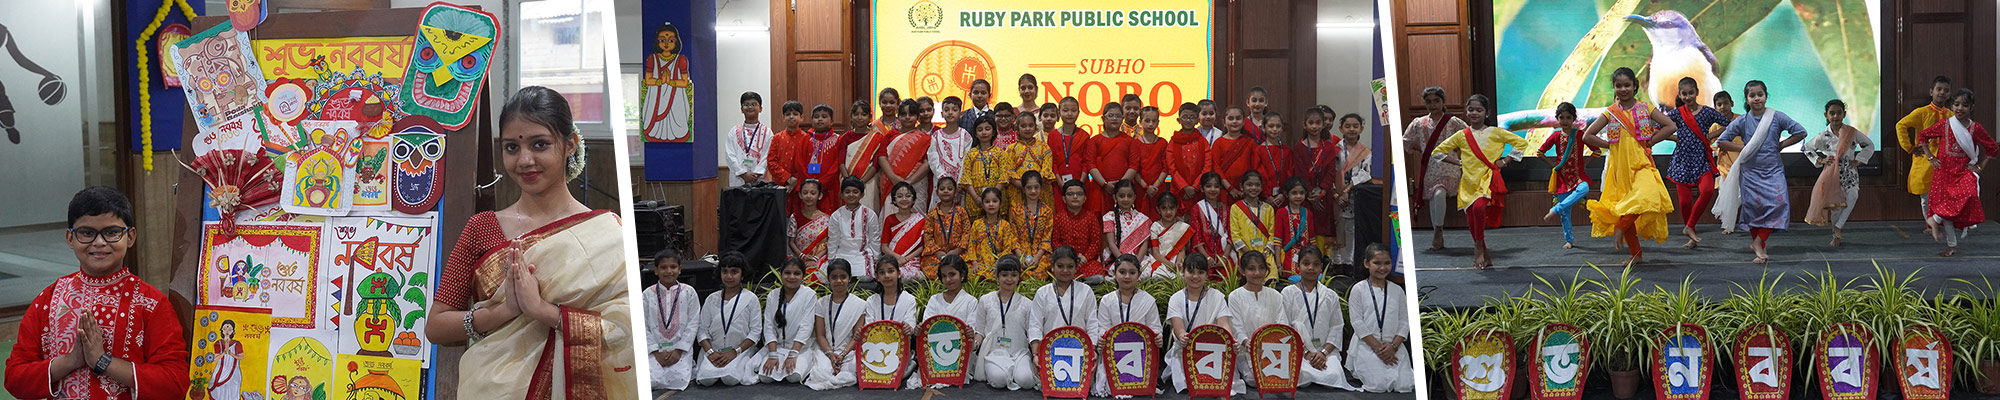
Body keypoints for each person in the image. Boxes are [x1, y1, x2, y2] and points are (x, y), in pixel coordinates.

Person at [429, 87, 634, 398]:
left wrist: (543, 311)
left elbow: (625, 331)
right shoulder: (482, 228)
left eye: (540, 144)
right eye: (512, 147)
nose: (525, 160)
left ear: (570, 144)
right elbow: (436, 327)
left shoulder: (608, 234)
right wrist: (503, 311)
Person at [4, 186, 189, 400]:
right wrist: (70, 361)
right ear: (70, 238)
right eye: (87, 233)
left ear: (130, 237)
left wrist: (103, 361)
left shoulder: (150, 303)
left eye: (111, 232)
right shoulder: (48, 299)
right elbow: (14, 378)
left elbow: (175, 383)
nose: (99, 242)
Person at [1580, 68, 1680, 265]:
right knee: (1627, 205)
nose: (1623, 89)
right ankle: (1636, 254)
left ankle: (1621, 227)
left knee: (1647, 194)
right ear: (1614, 88)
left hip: (1642, 161)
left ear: (1635, 86)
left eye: (1627, 85)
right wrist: (1609, 145)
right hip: (1621, 166)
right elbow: (1587, 136)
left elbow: (1671, 126)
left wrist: (1651, 141)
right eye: (1618, 86)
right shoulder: (1611, 112)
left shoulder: (1645, 108)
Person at [1713, 80, 1808, 264]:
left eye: (1760, 95)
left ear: (1765, 96)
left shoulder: (1776, 117)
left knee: (1779, 204)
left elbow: (1800, 132)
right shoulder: (1742, 121)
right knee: (1753, 209)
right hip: (1750, 172)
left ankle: (1758, 241)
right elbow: (1722, 141)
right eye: (1752, 95)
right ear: (1746, 99)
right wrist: (1743, 149)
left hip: (1773, 170)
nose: (1757, 98)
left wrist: (1781, 145)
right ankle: (1760, 246)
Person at [1430, 94, 1524, 269]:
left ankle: (1478, 246)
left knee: (1480, 208)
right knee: (1472, 219)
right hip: (1468, 183)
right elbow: (1437, 152)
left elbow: (1521, 143)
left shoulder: (1496, 133)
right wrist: (1458, 162)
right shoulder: (1461, 135)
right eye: (1471, 109)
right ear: (1466, 112)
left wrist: (1505, 161)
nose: (1474, 113)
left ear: (1486, 113)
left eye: (1479, 110)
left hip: (1486, 180)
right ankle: (1485, 251)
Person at [1653, 77, 1731, 248]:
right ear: (1680, 95)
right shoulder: (1676, 113)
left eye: (1691, 93)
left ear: (1697, 93)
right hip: (1682, 161)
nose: (1688, 97)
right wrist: (1674, 138)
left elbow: (1729, 123)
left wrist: (1711, 136)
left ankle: (1689, 226)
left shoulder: (1707, 112)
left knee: (1708, 191)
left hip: (1702, 159)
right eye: (1684, 94)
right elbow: (1658, 128)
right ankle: (1691, 234)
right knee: (1684, 202)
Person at [1919, 89, 1992, 257]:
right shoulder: (1945, 125)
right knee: (1948, 212)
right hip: (1944, 173)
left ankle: (1934, 219)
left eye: (1965, 105)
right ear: (1951, 106)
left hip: (1963, 172)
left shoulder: (1976, 128)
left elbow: (1992, 148)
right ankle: (1951, 246)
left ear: (1971, 107)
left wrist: (1980, 166)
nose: (1960, 108)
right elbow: (1923, 136)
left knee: (1969, 195)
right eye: (1956, 104)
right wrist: (1930, 157)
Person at [1801, 99, 1877, 246]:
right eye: (1832, 113)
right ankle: (1835, 234)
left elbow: (1869, 145)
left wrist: (1859, 160)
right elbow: (1807, 148)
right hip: (1831, 173)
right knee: (1835, 206)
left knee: (1853, 195)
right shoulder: (1823, 135)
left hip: (1849, 171)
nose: (1835, 116)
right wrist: (1820, 160)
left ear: (1844, 114)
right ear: (1826, 115)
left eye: (1839, 113)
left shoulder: (1852, 132)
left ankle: (1838, 226)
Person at [1405, 86, 1470, 251]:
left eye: (1436, 101)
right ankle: (1437, 230)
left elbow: (1468, 138)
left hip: (1449, 167)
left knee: (1439, 193)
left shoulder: (1453, 122)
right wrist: (1423, 149)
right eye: (1428, 102)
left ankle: (1438, 230)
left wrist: (1458, 152)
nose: (1432, 105)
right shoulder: (1419, 123)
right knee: (1434, 196)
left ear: (1443, 101)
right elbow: (1405, 141)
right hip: (1429, 167)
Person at [1088, 255, 1162, 397]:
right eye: (1122, 272)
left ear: (1138, 275)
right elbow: (1103, 327)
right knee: (1108, 386)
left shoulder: (1148, 300)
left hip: (1140, 353)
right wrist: (1101, 338)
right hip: (1113, 352)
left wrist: (1158, 337)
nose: (1127, 276)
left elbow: (1155, 327)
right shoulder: (1107, 300)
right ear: (1114, 274)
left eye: (1132, 272)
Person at [1164, 254, 1235, 394]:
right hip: (1185, 350)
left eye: (1200, 272)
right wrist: (1182, 336)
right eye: (1191, 271)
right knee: (1188, 384)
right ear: (1183, 272)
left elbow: (1224, 324)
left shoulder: (1217, 296)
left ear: (1207, 275)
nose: (1195, 276)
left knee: (1220, 385)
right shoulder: (1176, 298)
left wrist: (1230, 340)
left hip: (1213, 351)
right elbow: (1178, 327)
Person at [1282, 248, 1351, 389]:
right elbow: (1285, 327)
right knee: (1301, 374)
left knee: (1334, 375)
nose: (1311, 268)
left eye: (1316, 264)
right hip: (1298, 351)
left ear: (1321, 268)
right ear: (1298, 266)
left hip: (1325, 351)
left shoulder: (1330, 295)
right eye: (1306, 263)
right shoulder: (1288, 293)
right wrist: (1306, 353)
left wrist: (1323, 353)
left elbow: (1337, 326)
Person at [1347, 244, 1412, 392]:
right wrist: (1378, 348)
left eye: (1387, 263)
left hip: (1393, 347)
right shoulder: (1359, 289)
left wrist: (1393, 347)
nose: (1382, 268)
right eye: (1377, 263)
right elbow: (1357, 322)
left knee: (1405, 384)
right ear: (1366, 263)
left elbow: (1404, 321)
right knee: (1378, 385)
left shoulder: (1397, 291)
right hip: (1367, 345)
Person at [911, 256, 982, 388]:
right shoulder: (934, 299)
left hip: (960, 353)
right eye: (944, 276)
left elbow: (971, 329)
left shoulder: (971, 301)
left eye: (952, 274)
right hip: (935, 352)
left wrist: (970, 333)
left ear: (962, 274)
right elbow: (927, 327)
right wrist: (919, 330)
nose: (948, 280)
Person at [1537, 103, 1599, 250]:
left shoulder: (1580, 135)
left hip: (1578, 176)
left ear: (1573, 118)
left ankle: (1555, 209)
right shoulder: (1555, 136)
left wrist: (1585, 163)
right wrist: (1553, 165)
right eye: (1562, 118)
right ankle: (1569, 240)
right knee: (1565, 214)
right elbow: (1540, 152)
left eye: (1568, 118)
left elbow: (1596, 151)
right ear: (1557, 118)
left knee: (1584, 189)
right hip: (1562, 178)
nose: (1565, 121)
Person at [696, 253, 764, 386]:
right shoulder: (712, 299)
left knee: (730, 379)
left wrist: (735, 352)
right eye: (725, 271)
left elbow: (755, 332)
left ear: (742, 274)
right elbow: (702, 330)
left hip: (740, 351)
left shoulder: (751, 299)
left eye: (734, 272)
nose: (729, 276)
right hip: (714, 351)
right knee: (706, 380)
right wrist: (710, 352)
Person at [802, 261, 869, 390]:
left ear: (849, 278)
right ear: (828, 279)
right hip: (826, 350)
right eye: (834, 277)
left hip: (849, 351)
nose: (839, 281)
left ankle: (836, 377)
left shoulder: (860, 304)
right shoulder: (821, 303)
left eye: (843, 277)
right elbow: (820, 335)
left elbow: (856, 337)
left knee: (853, 370)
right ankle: (835, 377)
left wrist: (842, 355)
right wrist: (830, 354)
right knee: (819, 373)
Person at [976, 257, 1041, 390]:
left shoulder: (1027, 304)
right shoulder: (985, 300)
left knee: (1026, 380)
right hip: (994, 353)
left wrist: (1036, 355)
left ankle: (1015, 373)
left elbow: (1032, 332)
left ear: (1019, 277)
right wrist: (974, 344)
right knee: (999, 379)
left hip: (1019, 353)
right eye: (1004, 275)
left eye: (1014, 275)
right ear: (997, 277)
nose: (1009, 279)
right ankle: (1003, 373)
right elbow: (980, 330)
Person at [1899, 76, 1956, 218]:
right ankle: (1930, 225)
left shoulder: (1951, 115)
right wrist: (1909, 147)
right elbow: (1901, 125)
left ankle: (1938, 223)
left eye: (1946, 90)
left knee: (1944, 195)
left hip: (1945, 161)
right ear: (1931, 92)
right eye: (1939, 89)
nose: (1942, 93)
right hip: (1925, 160)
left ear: (1949, 94)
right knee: (1926, 196)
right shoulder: (1921, 112)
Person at [1294, 106, 1344, 257]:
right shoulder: (1299, 148)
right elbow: (1300, 173)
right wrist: (1309, 193)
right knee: (1307, 227)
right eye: (1311, 123)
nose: (1314, 126)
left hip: (1324, 197)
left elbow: (1331, 172)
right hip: (1305, 197)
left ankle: (1322, 260)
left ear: (1323, 125)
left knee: (1322, 228)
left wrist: (1321, 191)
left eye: (1318, 123)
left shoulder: (1329, 148)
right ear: (1305, 125)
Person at [647, 250, 700, 391]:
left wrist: (678, 350)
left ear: (680, 269)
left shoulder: (689, 292)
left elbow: (693, 323)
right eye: (663, 267)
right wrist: (655, 352)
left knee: (679, 379)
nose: (669, 271)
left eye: (673, 267)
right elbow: (642, 326)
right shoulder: (647, 294)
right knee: (650, 379)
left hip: (680, 349)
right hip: (655, 350)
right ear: (656, 271)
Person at [1228, 251, 1283, 390]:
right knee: (1254, 379)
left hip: (1274, 349)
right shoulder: (1235, 296)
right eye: (1251, 269)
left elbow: (1282, 324)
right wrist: (1247, 342)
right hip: (1247, 350)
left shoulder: (1275, 295)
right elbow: (1236, 327)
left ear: (1267, 269)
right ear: (1242, 271)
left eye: (1261, 268)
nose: (1257, 273)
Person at [759, 259, 818, 383]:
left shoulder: (809, 295)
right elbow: (768, 326)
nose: (792, 277)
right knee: (765, 378)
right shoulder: (773, 295)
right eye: (787, 273)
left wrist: (793, 354)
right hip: (777, 348)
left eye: (797, 273)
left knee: (793, 377)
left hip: (800, 349)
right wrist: (773, 354)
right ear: (781, 275)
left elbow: (806, 327)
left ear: (803, 276)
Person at [877, 100, 933, 215]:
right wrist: (894, 178)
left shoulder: (925, 138)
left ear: (917, 117)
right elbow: (882, 156)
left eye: (911, 114)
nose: (907, 117)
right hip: (891, 183)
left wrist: (908, 182)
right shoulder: (890, 135)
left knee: (916, 220)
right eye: (903, 114)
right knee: (891, 215)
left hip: (916, 184)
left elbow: (927, 163)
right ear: (898, 116)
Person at [1034, 246, 1098, 340]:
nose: (1065, 270)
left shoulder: (1086, 291)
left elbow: (1092, 324)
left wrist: (1092, 346)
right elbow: (1035, 325)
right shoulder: (1042, 293)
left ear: (1076, 268)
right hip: (1050, 346)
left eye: (1070, 267)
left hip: (1080, 346)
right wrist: (1036, 348)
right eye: (1060, 266)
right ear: (1052, 267)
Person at [1049, 97, 1100, 213]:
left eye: (1073, 110)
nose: (1069, 114)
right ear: (1059, 113)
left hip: (1081, 182)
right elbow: (1052, 162)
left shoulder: (1084, 136)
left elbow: (1086, 162)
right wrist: (1060, 183)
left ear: (1078, 112)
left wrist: (1080, 184)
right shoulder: (1053, 135)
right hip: (1059, 184)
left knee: (1081, 215)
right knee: (1061, 215)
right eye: (1065, 110)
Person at [795, 104, 848, 213]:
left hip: (829, 188)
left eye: (824, 116)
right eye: (816, 116)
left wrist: (821, 183)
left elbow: (837, 164)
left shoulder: (838, 140)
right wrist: (810, 183)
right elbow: (799, 162)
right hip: (807, 188)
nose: (820, 119)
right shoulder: (805, 139)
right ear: (811, 120)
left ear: (832, 121)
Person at [826, 177, 880, 281]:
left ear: (862, 195)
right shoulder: (836, 215)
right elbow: (833, 240)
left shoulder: (869, 214)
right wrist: (831, 259)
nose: (851, 195)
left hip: (862, 255)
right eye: (847, 192)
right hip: (842, 254)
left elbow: (875, 239)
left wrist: (876, 260)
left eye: (855, 192)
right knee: (837, 278)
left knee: (866, 278)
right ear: (842, 195)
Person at [1051, 181, 1107, 280]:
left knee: (1098, 273)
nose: (1075, 197)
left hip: (1086, 262)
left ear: (1085, 198)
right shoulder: (1058, 218)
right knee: (1057, 270)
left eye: (1079, 194)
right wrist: (1069, 257)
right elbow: (1055, 241)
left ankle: (1080, 282)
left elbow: (1096, 242)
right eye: (1070, 194)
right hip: (1065, 261)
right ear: (1064, 199)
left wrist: (1085, 257)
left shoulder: (1091, 217)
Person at [1336, 113, 1372, 265]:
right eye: (1348, 126)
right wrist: (1337, 194)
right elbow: (1330, 172)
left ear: (1361, 129)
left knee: (1351, 229)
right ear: (1341, 129)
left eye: (1355, 126)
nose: (1351, 129)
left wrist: (1347, 190)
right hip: (1335, 195)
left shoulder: (1365, 152)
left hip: (1354, 195)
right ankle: (1336, 262)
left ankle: (1348, 262)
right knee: (1336, 228)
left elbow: (1365, 173)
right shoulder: (1335, 149)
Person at [1228, 171, 1280, 275]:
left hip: (1266, 255)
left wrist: (1265, 254)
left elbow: (1272, 234)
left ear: (1261, 187)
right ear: (1241, 186)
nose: (1253, 188)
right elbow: (1235, 236)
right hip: (1245, 254)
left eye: (1257, 185)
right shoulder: (1236, 208)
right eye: (1249, 185)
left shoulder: (1268, 209)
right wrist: (1251, 255)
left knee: (1270, 278)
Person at [965, 188, 1023, 280]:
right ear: (982, 205)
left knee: (1003, 273)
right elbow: (972, 245)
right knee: (970, 274)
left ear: (1000, 204)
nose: (991, 204)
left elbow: (1007, 248)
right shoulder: (976, 224)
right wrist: (975, 263)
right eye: (987, 201)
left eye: (994, 201)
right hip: (980, 262)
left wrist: (997, 264)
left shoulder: (1005, 225)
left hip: (999, 262)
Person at [1186, 173, 1237, 277]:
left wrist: (1225, 257)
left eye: (1216, 186)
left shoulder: (1226, 208)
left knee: (1229, 274)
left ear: (1220, 188)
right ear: (1202, 188)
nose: (1213, 189)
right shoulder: (1196, 209)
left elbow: (1231, 234)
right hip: (1203, 253)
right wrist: (1207, 257)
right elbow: (1196, 238)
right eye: (1208, 186)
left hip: (1224, 253)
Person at [1210, 106, 1264, 205]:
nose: (1234, 121)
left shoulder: (1250, 142)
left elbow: (1255, 166)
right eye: (1231, 119)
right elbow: (1216, 167)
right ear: (1224, 122)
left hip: (1247, 191)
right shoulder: (1218, 143)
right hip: (1224, 190)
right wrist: (1230, 188)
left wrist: (1248, 187)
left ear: (1243, 122)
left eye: (1238, 118)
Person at [1091, 103, 1136, 214]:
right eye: (1111, 115)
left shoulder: (1129, 141)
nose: (1114, 119)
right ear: (1103, 118)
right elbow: (1090, 164)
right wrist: (1105, 184)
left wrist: (1120, 186)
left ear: (1122, 119)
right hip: (1101, 188)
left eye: (1118, 116)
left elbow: (1134, 165)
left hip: (1125, 191)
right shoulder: (1094, 141)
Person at [1132, 106, 1175, 217]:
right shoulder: (1135, 143)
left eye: (1154, 121)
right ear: (1140, 122)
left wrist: (1154, 186)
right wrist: (1146, 187)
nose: (1150, 124)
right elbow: (1134, 168)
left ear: (1158, 122)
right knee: (1141, 217)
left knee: (1159, 215)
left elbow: (1165, 167)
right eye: (1147, 121)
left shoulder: (1163, 143)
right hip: (1141, 188)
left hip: (1158, 187)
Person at [963, 116, 1014, 210]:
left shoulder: (1000, 153)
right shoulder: (970, 154)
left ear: (993, 132)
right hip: (975, 200)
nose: (984, 132)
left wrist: (993, 196)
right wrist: (976, 197)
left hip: (996, 199)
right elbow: (966, 178)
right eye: (980, 130)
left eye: (987, 129)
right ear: (975, 134)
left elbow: (1004, 175)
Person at [930, 97, 971, 210]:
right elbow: (933, 159)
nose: (950, 112)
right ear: (942, 114)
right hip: (940, 183)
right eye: (947, 110)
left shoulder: (965, 136)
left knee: (958, 213)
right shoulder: (936, 136)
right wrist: (943, 179)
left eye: (954, 109)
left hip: (959, 184)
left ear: (961, 114)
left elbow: (966, 161)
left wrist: (958, 184)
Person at [1011, 171, 1056, 274]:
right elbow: (1013, 237)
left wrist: (1037, 258)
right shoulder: (1016, 210)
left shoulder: (1047, 211)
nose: (1033, 191)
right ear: (1023, 189)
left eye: (1036, 187)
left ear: (1041, 188)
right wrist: (1021, 257)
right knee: (1015, 269)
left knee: (1040, 272)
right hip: (1020, 253)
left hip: (1041, 254)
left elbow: (1047, 238)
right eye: (1029, 187)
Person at [881, 182, 927, 280]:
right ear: (894, 200)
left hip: (912, 260)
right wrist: (898, 258)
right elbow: (884, 247)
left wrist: (905, 259)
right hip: (893, 259)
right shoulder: (889, 219)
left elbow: (921, 247)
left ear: (913, 199)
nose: (904, 199)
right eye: (899, 196)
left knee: (913, 276)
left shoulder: (920, 220)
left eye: (908, 196)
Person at [922, 177, 968, 275]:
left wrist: (957, 250)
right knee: (932, 271)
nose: (945, 191)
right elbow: (927, 235)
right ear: (937, 192)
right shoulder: (932, 213)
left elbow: (966, 232)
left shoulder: (961, 211)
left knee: (967, 270)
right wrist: (938, 252)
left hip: (958, 253)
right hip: (937, 255)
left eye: (949, 189)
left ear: (955, 192)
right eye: (942, 189)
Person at [726, 91, 773, 186]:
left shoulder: (767, 132)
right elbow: (730, 155)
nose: (750, 107)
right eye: (746, 104)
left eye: (754, 104)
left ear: (760, 108)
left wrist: (757, 173)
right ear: (741, 109)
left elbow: (768, 155)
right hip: (739, 180)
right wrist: (743, 174)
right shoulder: (733, 132)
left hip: (760, 180)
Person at [1169, 102, 1213, 203]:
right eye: (1185, 117)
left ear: (1197, 120)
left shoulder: (1202, 141)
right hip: (1178, 190)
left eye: (1192, 117)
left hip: (1198, 190)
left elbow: (1207, 165)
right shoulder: (1173, 141)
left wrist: (1195, 186)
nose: (1188, 120)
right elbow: (1171, 167)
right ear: (1179, 120)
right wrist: (1184, 186)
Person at [1010, 109, 1053, 209]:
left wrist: (1034, 186)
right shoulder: (1011, 149)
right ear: (1017, 128)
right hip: (1018, 191)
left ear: (1035, 127)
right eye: (1023, 126)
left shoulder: (1044, 147)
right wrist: (1024, 186)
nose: (1027, 129)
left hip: (1040, 190)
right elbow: (1009, 171)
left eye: (1031, 125)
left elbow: (1047, 169)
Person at [789, 179, 832, 279]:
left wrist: (815, 259)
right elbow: (791, 242)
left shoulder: (827, 219)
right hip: (799, 259)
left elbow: (828, 243)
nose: (808, 196)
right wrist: (802, 256)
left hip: (820, 260)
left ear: (820, 196)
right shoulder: (795, 217)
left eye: (813, 193)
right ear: (800, 195)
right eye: (805, 193)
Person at [1273, 178, 1317, 276]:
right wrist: (1279, 265)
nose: (1298, 196)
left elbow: (1312, 240)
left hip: (1307, 256)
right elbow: (1277, 241)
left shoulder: (1308, 213)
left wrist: (1315, 260)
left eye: (1301, 193)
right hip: (1288, 257)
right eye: (1294, 193)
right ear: (1286, 194)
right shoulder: (1282, 213)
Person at [1102, 180, 1153, 262]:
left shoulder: (1143, 219)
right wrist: (1122, 262)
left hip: (1138, 260)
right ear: (1114, 197)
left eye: (1129, 196)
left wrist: (1136, 263)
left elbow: (1144, 245)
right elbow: (1111, 244)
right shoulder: (1109, 217)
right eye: (1121, 196)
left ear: (1134, 197)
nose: (1126, 199)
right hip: (1116, 259)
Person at [1144, 191, 1191, 279]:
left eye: (1171, 208)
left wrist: (1178, 263)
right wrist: (1168, 263)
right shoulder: (1155, 227)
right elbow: (1155, 253)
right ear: (1158, 209)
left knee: (1183, 276)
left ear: (1176, 208)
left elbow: (1181, 250)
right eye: (1164, 208)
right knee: (1158, 276)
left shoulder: (1181, 226)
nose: (1168, 212)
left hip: (1176, 260)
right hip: (1160, 260)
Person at [1255, 112, 1293, 202]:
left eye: (1278, 126)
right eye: (1271, 126)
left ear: (1282, 128)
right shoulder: (1259, 150)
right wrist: (1266, 194)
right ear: (1263, 128)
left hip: (1283, 197)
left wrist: (1284, 193)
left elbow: (1290, 172)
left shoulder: (1287, 150)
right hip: (1264, 197)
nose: (1275, 129)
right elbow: (1259, 173)